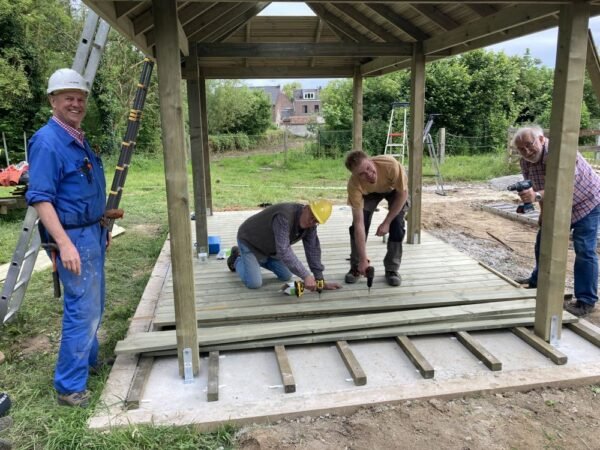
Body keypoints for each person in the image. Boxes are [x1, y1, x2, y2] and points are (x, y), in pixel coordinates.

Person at [25, 68, 110, 407]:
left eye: (80, 98)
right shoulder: (48, 142)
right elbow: (41, 198)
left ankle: (87, 361)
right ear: (53, 101)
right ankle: (69, 387)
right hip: (73, 237)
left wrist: (101, 226)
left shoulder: (76, 137)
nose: (76, 103)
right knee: (82, 309)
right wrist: (64, 243)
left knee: (94, 304)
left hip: (92, 231)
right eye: (68, 98)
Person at [512, 125, 600, 317]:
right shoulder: (526, 163)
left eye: (529, 145)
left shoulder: (562, 154)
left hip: (587, 202)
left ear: (542, 139)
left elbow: (564, 186)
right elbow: (539, 189)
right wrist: (543, 212)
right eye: (521, 149)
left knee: (585, 248)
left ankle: (586, 301)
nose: (527, 151)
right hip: (558, 205)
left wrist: (534, 196)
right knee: (543, 241)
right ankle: (537, 281)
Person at [227, 200, 342, 293]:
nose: (311, 221)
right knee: (254, 283)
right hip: (250, 241)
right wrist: (306, 276)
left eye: (316, 221)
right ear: (306, 208)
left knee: (286, 275)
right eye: (311, 216)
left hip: (271, 247)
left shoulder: (311, 227)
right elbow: (283, 250)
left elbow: (313, 251)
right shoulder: (285, 216)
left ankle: (257, 260)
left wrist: (319, 280)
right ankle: (237, 258)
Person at [344, 150, 409, 286]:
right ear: (355, 175)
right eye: (362, 174)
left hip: (395, 191)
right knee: (357, 227)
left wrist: (386, 222)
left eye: (368, 168)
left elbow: (402, 194)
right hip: (369, 194)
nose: (369, 174)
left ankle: (392, 269)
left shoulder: (390, 165)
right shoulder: (354, 185)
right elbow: (359, 223)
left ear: (371, 160)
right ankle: (357, 266)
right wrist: (363, 258)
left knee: (397, 224)